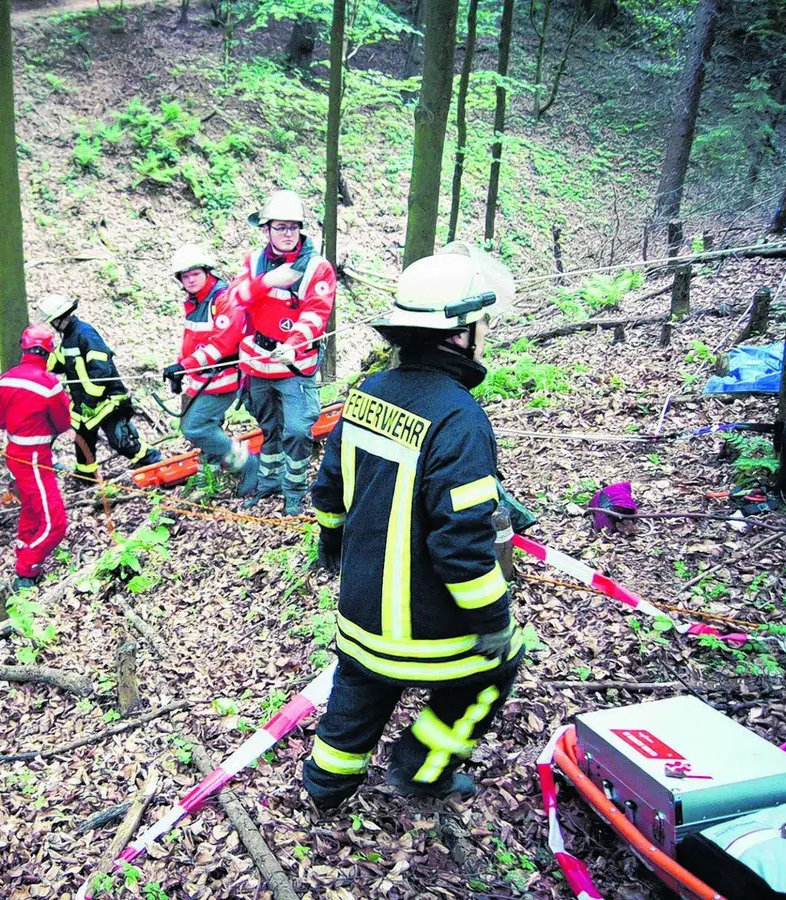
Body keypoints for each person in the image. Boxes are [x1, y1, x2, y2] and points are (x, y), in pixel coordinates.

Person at [302, 243, 525, 809]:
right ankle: (423, 768)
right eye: (481, 325)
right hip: (425, 627)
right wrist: (493, 617)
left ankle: (327, 785)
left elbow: (328, 489)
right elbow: (461, 545)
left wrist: (333, 538)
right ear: (458, 335)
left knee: (359, 689)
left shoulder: (367, 394)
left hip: (359, 614)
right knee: (498, 666)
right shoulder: (460, 418)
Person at [229, 190, 337, 516]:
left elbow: (316, 313)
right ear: (267, 230)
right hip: (257, 363)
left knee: (298, 431)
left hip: (294, 366)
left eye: (293, 227)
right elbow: (235, 298)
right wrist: (265, 282)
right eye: (280, 227)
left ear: (301, 229)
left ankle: (294, 492)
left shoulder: (316, 267)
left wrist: (292, 343)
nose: (288, 233)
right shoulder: (254, 261)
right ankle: (268, 482)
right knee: (267, 426)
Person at [41, 293, 160, 483]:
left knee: (120, 440)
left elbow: (101, 368)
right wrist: (41, 358)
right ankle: (86, 477)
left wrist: (90, 399)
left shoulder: (85, 334)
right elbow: (59, 363)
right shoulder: (68, 338)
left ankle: (154, 460)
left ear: (59, 319)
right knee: (84, 445)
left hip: (107, 400)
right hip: (85, 407)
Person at [0, 324, 74, 591]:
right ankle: (26, 569)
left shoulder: (6, 379)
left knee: (31, 507)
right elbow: (63, 423)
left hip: (14, 453)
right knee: (55, 523)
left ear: (24, 347)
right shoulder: (50, 385)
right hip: (35, 457)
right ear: (49, 352)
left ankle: (23, 551)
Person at [162, 242, 251, 479]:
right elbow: (192, 341)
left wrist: (185, 366)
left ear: (207, 271)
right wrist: (181, 370)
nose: (190, 280)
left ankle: (245, 462)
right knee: (209, 427)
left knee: (195, 427)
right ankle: (209, 479)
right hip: (203, 378)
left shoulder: (222, 299)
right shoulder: (196, 301)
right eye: (185, 276)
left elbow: (222, 343)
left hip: (224, 378)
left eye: (195, 274)